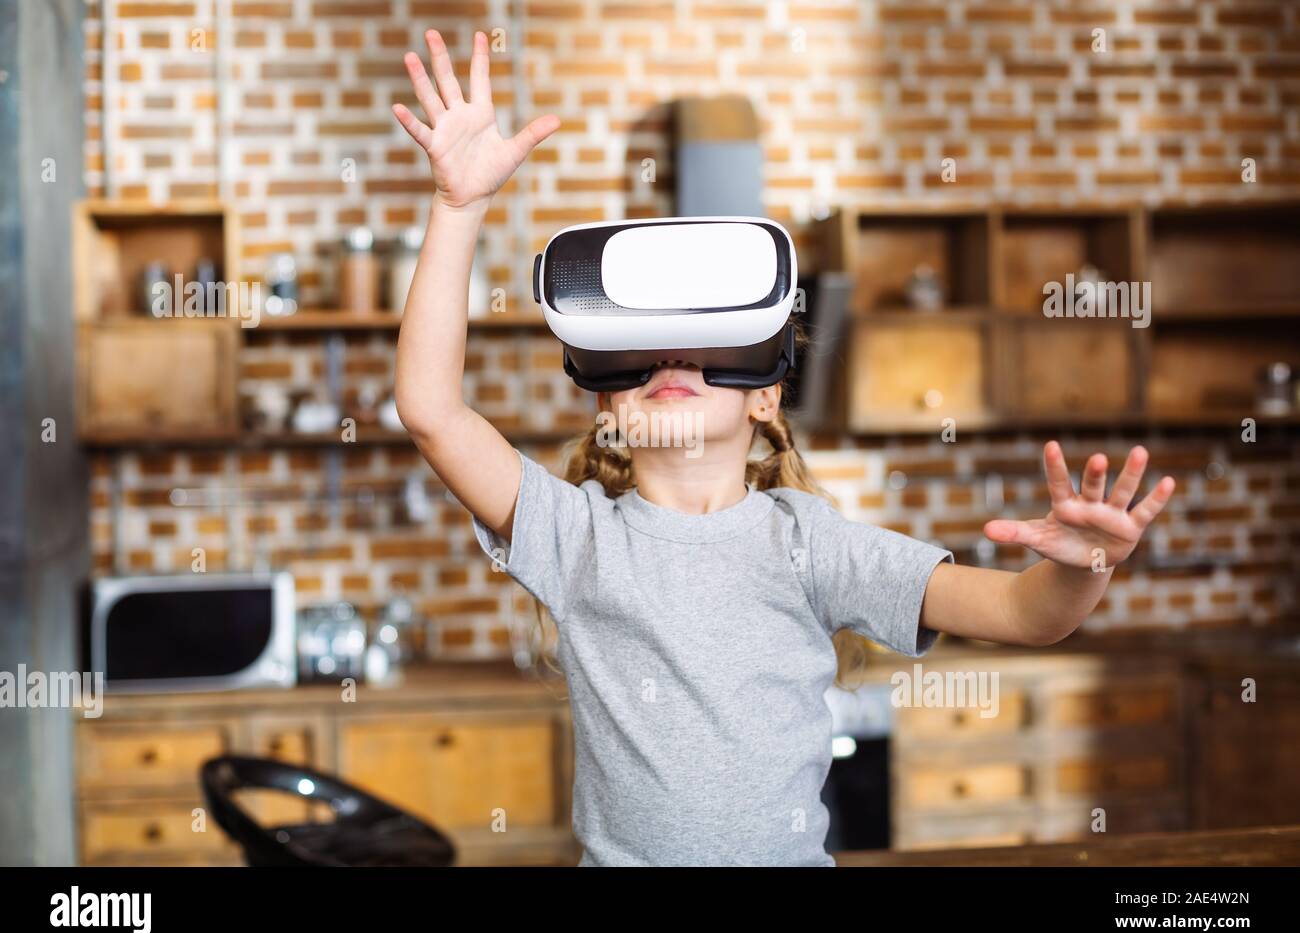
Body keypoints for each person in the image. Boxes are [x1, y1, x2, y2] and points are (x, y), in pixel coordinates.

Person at [391, 29, 1177, 866]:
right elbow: (432, 409)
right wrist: (458, 208)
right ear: (609, 403)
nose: (675, 363)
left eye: (708, 351)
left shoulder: (808, 544)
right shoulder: (574, 535)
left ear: (765, 397)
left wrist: (1084, 566)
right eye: (647, 355)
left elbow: (1025, 614)